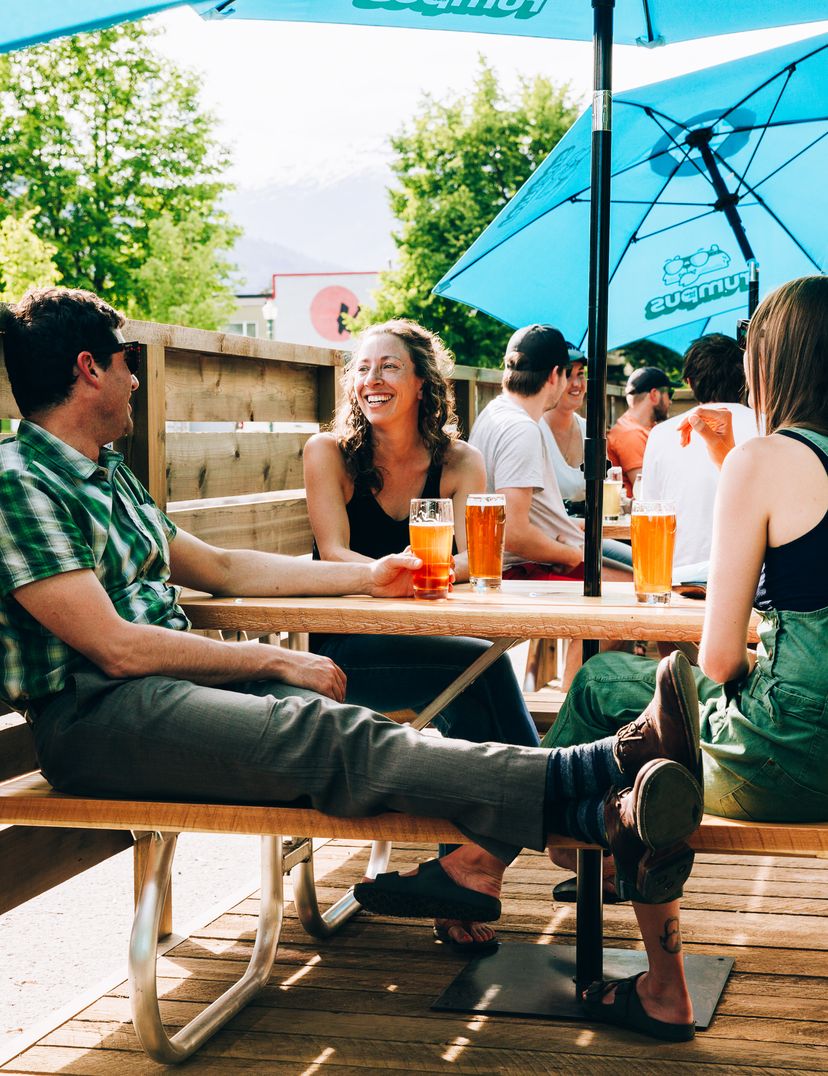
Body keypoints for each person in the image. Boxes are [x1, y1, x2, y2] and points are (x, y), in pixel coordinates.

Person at [0, 287, 705, 1045]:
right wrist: (270, 659)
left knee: (341, 723)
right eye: (125, 363)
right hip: (97, 718)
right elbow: (115, 647)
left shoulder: (109, 473)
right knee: (326, 735)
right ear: (87, 369)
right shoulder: (20, 484)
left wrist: (363, 579)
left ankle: (598, 813)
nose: (135, 378)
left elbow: (223, 566)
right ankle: (602, 770)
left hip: (163, 694)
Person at [545, 275, 828, 1033]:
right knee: (654, 721)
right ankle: (593, 844)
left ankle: (555, 855)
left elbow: (723, 658)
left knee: (616, 683)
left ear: (776, 362)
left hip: (794, 754)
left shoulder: (768, 459)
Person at [303, 318, 540, 955]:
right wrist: (385, 575)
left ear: (421, 382)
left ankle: (466, 874)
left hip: (429, 630)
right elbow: (332, 554)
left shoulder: (459, 460)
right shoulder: (327, 453)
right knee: (480, 673)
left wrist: (431, 571)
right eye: (362, 368)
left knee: (472, 681)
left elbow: (478, 558)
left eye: (388, 367)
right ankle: (502, 842)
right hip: (346, 649)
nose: (371, 380)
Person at [469, 325, 631, 688]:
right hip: (524, 569)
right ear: (556, 375)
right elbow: (512, 533)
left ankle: (577, 704)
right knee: (635, 598)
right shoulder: (521, 429)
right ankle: (572, 721)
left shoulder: (496, 413)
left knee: (639, 579)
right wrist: (570, 555)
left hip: (528, 560)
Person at [640, 334, 757, 576]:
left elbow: (650, 510)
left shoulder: (661, 433)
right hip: (752, 579)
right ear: (744, 376)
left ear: (690, 382)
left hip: (677, 576)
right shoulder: (769, 426)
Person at [541, 342, 632, 570]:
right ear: (552, 379)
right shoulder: (534, 430)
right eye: (568, 375)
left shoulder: (590, 430)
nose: (577, 384)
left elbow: (606, 491)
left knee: (646, 562)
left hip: (581, 536)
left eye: (581, 374)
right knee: (635, 573)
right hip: (549, 546)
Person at [607, 366, 675, 497]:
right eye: (669, 393)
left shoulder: (639, 429)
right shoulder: (631, 434)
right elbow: (646, 491)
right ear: (654, 395)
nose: (670, 401)